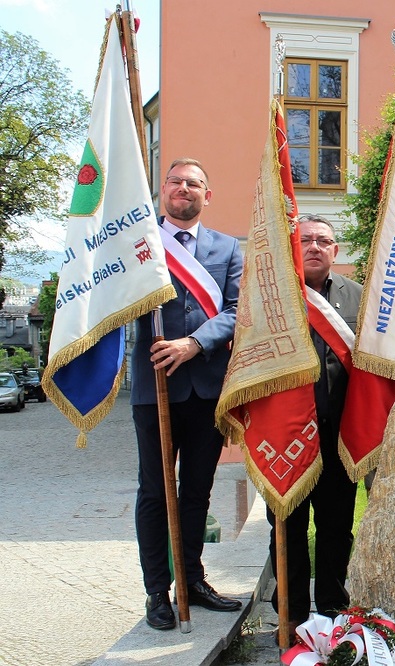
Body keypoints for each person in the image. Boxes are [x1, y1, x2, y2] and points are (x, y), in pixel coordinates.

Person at [132, 158, 244, 630]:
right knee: (156, 493)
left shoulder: (228, 247)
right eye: (176, 182)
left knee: (197, 490)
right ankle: (157, 591)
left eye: (193, 183)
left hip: (206, 389)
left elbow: (239, 308)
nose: (184, 189)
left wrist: (194, 342)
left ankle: (192, 580)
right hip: (154, 388)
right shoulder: (139, 243)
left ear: (206, 195)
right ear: (163, 190)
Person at [266, 214, 362, 627]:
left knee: (336, 528)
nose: (315, 247)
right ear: (293, 245)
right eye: (306, 240)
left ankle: (332, 612)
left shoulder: (360, 297)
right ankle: (290, 614)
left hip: (341, 435)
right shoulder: (272, 296)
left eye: (324, 241)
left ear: (336, 251)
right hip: (285, 437)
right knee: (286, 529)